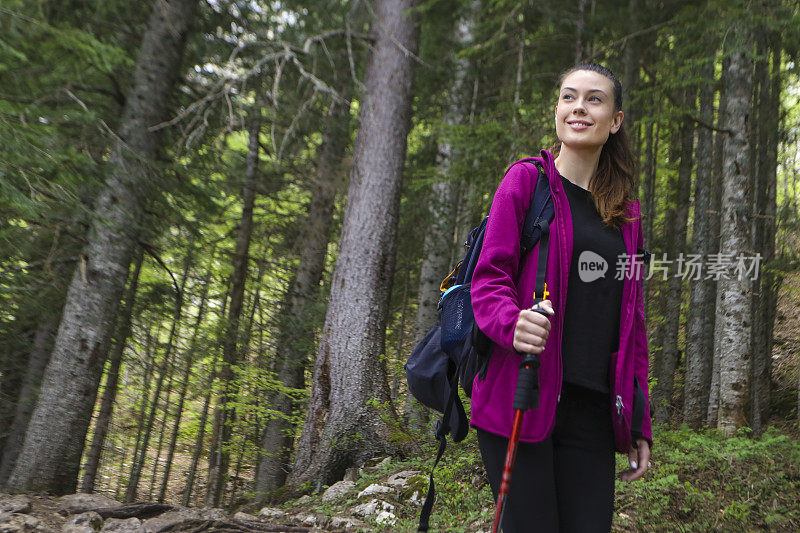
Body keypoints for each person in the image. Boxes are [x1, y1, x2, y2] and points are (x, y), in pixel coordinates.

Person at [469, 62, 653, 532]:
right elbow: (489, 278)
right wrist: (513, 323)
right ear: (557, 110)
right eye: (569, 96)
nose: (579, 107)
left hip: (592, 411)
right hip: (522, 396)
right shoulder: (527, 182)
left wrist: (637, 419)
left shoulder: (625, 218)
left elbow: (631, 326)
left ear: (615, 120)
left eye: (594, 99)